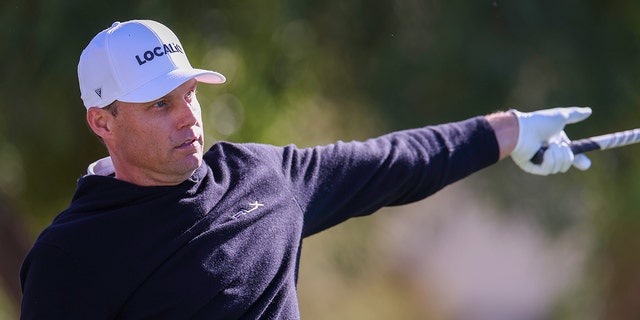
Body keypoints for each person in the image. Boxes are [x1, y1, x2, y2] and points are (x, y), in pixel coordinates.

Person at [19, 19, 592, 319]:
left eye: (189, 94)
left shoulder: (260, 179)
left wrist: (512, 130)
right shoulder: (70, 257)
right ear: (103, 122)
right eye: (159, 105)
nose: (187, 118)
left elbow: (394, 162)